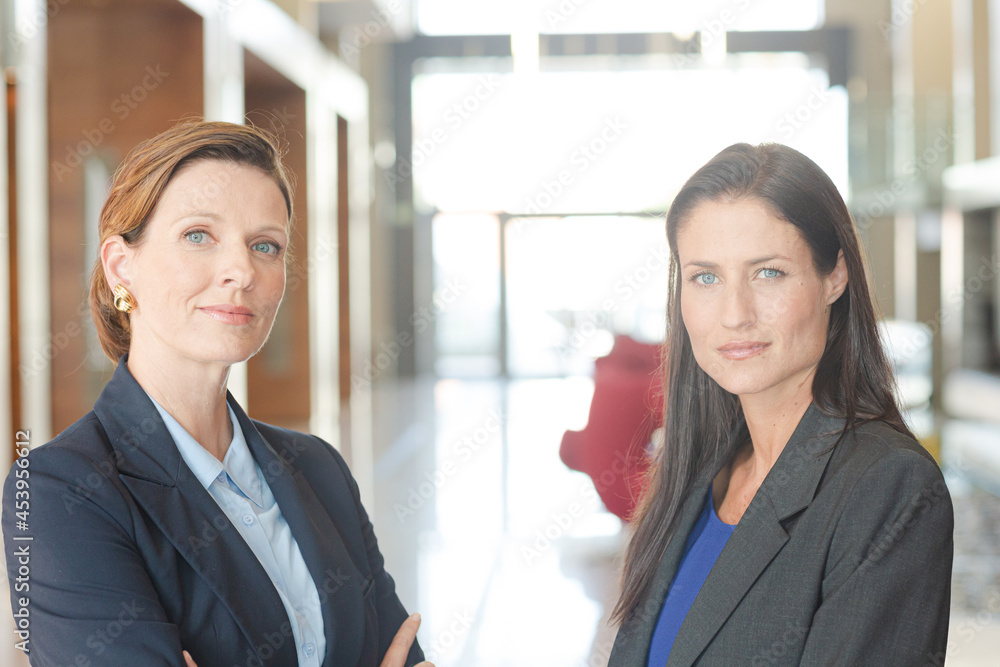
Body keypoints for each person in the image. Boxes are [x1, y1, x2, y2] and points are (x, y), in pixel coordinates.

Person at [2, 120, 431, 667]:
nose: (241, 270)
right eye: (198, 235)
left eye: (266, 245)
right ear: (120, 266)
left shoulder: (319, 468)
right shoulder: (58, 492)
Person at [608, 143, 953, 665]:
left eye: (768, 272)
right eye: (706, 277)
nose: (734, 314)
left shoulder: (886, 489)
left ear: (834, 276)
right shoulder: (700, 468)